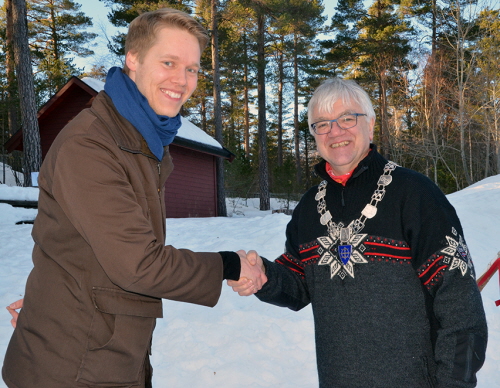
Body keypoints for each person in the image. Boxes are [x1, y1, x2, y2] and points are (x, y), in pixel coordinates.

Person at [2, 8, 266, 388]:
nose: (183, 80)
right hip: (74, 367)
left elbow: (83, 240)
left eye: (192, 69)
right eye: (169, 62)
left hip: (101, 347)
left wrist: (53, 293)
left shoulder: (141, 139)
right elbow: (139, 264)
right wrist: (229, 264)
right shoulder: (92, 144)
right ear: (134, 60)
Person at [229, 78, 488, 387]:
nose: (335, 132)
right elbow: (299, 284)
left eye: (348, 118)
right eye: (322, 124)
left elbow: (460, 306)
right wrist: (265, 277)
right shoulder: (309, 209)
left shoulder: (416, 195)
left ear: (371, 124)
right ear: (314, 134)